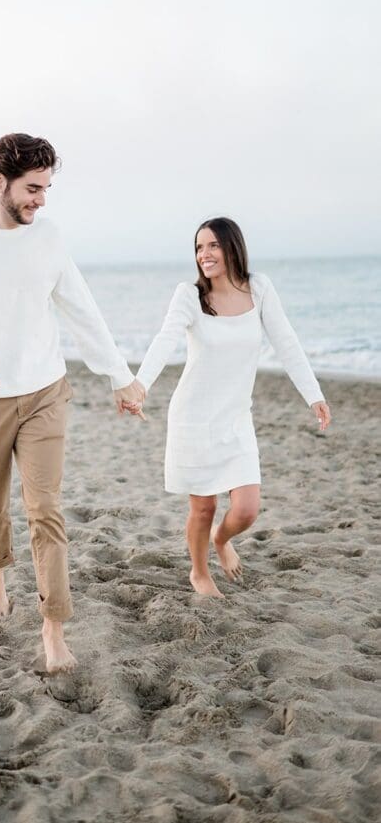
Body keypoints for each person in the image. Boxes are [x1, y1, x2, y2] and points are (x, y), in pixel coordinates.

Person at [0, 133, 142, 671]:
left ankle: (53, 628)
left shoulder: (49, 238)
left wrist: (119, 377)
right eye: (33, 188)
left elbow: (81, 309)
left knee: (46, 510)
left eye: (46, 188)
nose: (41, 200)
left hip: (44, 391)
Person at [122, 217, 331, 597]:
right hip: (194, 418)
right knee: (202, 508)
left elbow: (287, 342)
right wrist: (139, 385)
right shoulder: (190, 296)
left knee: (247, 509)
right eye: (199, 248)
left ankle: (222, 540)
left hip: (236, 419)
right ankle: (199, 572)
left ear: (232, 247)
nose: (205, 254)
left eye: (213, 245)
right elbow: (165, 340)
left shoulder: (260, 289)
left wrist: (313, 394)